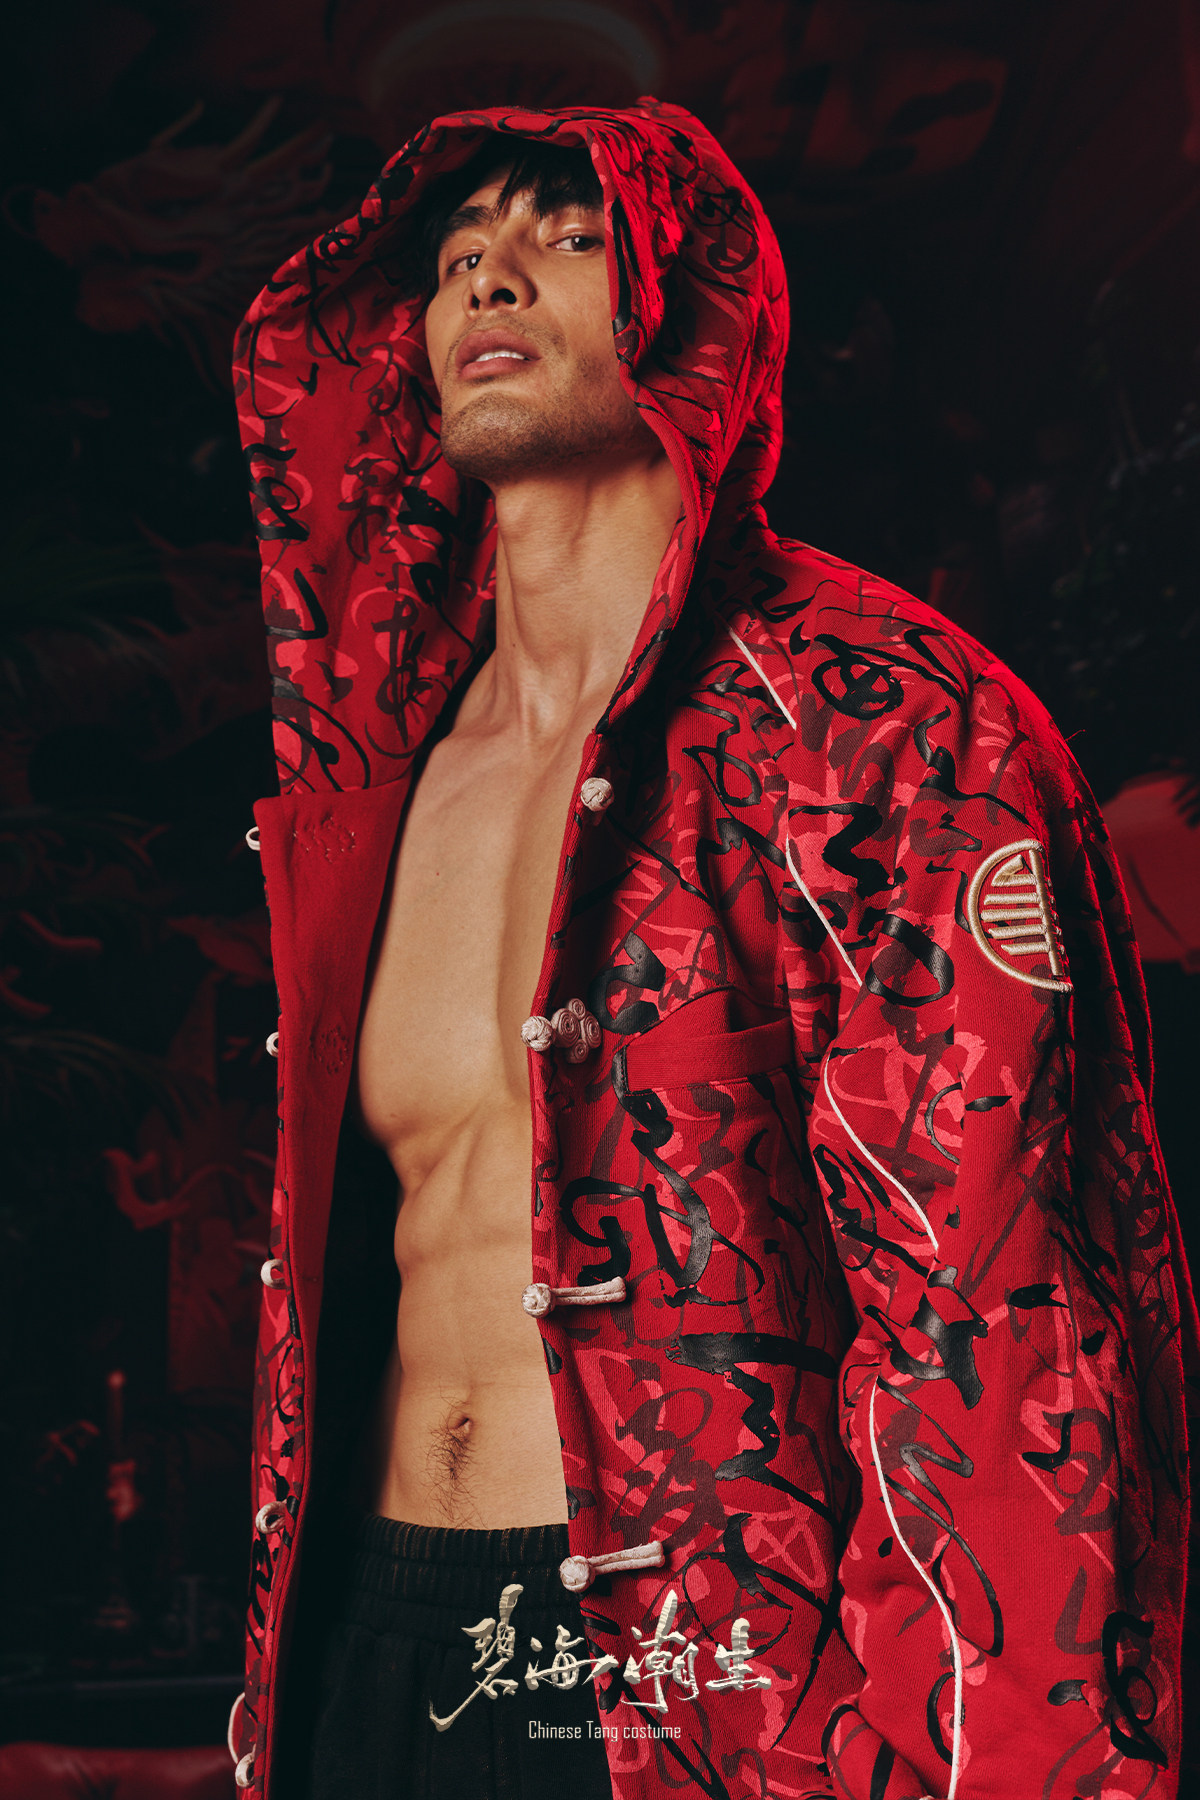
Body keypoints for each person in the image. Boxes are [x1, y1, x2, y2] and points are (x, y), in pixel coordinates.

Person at [227, 100, 1195, 1800]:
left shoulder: (886, 725)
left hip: (711, 1677)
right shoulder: (380, 779)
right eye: (456, 259)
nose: (490, 280)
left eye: (564, 237)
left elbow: (998, 1311)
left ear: (689, 313)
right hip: (368, 1642)